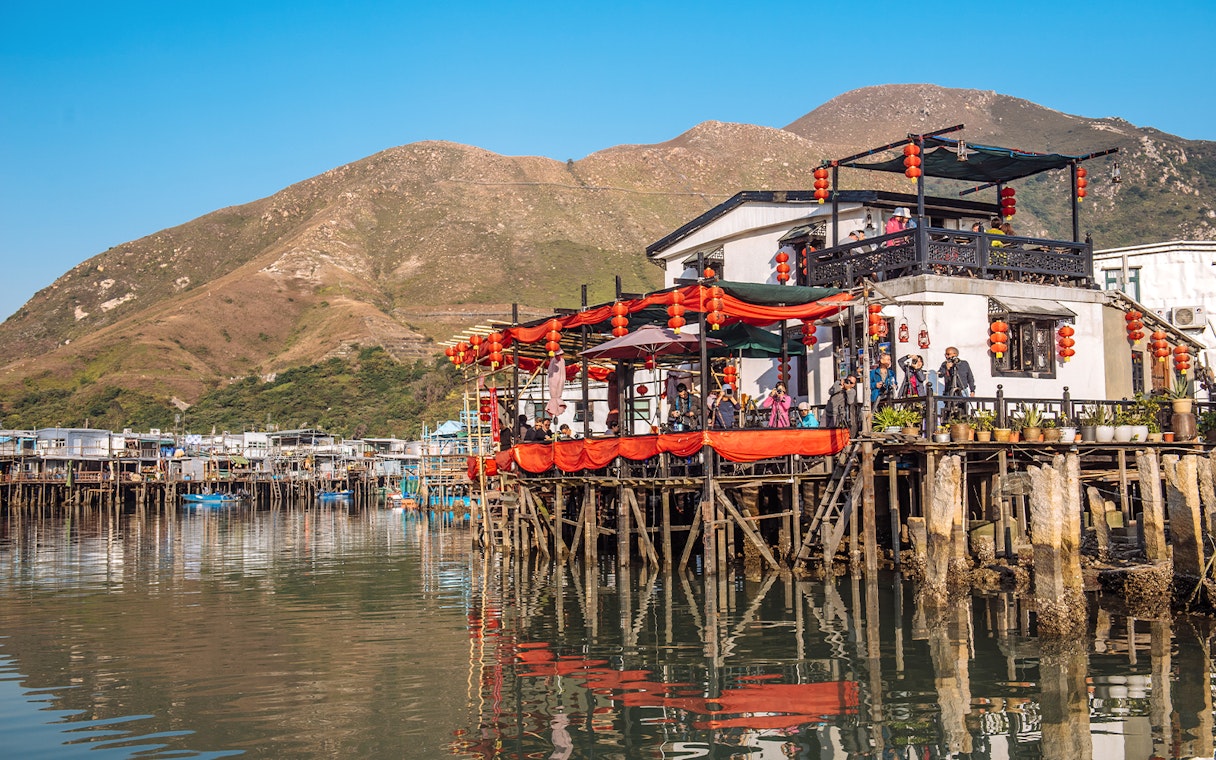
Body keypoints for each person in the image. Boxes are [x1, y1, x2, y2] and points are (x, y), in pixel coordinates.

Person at [939, 347, 976, 419]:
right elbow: (940, 374)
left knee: (964, 408)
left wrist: (972, 390)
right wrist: (947, 368)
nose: (946, 356)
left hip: (962, 389)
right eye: (945, 354)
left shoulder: (964, 364)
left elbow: (970, 377)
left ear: (955, 354)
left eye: (948, 354)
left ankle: (963, 423)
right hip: (949, 391)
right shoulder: (944, 364)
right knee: (949, 409)